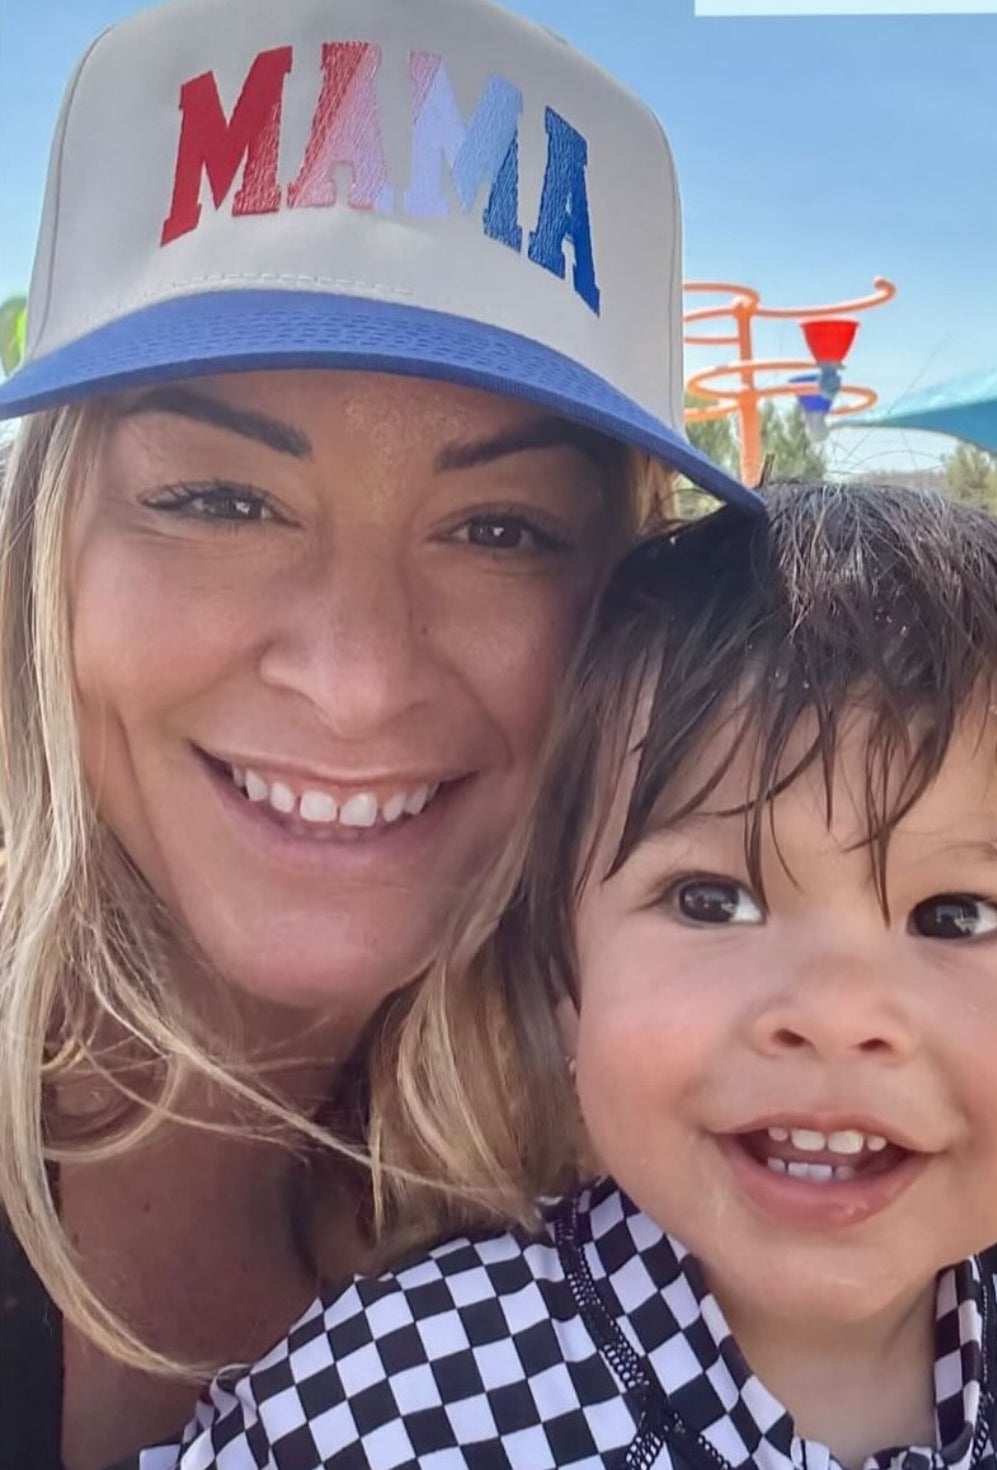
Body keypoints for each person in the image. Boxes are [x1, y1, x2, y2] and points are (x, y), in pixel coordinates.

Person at [148, 485, 997, 1470]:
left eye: (956, 916)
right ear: (566, 977)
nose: (835, 1015)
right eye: (711, 901)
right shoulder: (396, 1402)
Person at [0, 1, 757, 1466]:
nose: (354, 678)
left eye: (499, 527)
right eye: (220, 500)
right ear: (49, 545)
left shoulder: (719, 1143)